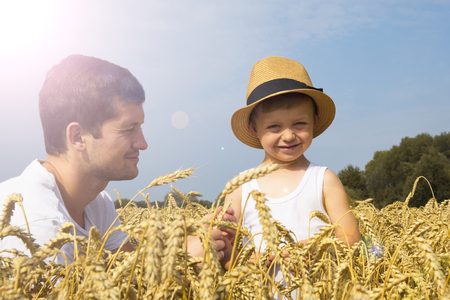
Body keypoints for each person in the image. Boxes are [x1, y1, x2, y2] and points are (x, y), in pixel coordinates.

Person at [0, 54, 235, 265]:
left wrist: (188, 237)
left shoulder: (96, 202)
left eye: (140, 127)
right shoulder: (39, 224)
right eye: (128, 129)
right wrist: (177, 262)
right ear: (78, 136)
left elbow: (129, 268)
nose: (142, 143)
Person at [224, 56, 361, 297]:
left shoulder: (324, 180)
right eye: (274, 127)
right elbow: (225, 251)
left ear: (314, 122)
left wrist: (319, 248)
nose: (288, 136)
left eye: (299, 124)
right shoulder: (240, 188)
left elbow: (352, 240)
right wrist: (249, 263)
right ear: (254, 129)